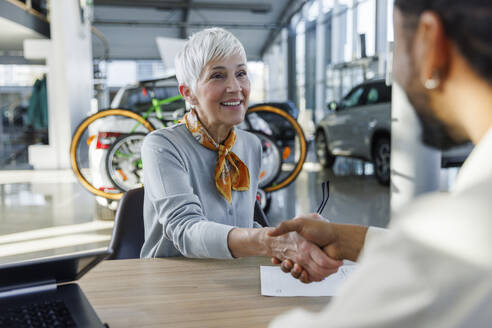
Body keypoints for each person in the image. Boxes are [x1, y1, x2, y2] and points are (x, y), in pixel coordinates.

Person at [269, 0, 492, 326]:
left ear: (431, 42)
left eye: (397, 50)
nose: (397, 74)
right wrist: (340, 238)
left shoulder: (458, 229)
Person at [140, 27, 340, 281]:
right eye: (217, 76)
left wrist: (292, 235)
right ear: (188, 93)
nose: (235, 87)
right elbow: (185, 230)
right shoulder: (162, 146)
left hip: (229, 276)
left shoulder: (250, 145)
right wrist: (272, 243)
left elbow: (240, 225)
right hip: (173, 280)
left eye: (241, 73)